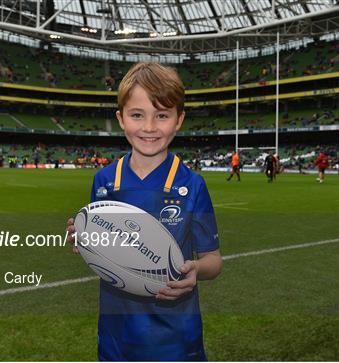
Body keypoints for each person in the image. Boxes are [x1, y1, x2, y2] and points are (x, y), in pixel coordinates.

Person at [66, 62, 222, 361]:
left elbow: (213, 260)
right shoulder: (104, 181)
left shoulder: (192, 184)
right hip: (116, 337)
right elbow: (106, 252)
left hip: (176, 338)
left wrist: (196, 272)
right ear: (121, 119)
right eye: (137, 115)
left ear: (179, 120)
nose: (149, 127)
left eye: (162, 115)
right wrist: (84, 241)